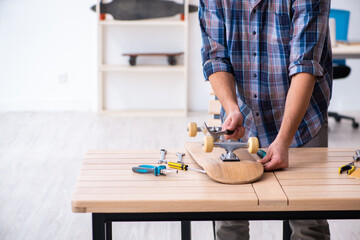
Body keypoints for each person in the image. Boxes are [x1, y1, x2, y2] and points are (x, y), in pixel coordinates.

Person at [199, 0, 332, 239]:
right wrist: (232, 108)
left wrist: (284, 139)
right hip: (244, 117)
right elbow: (215, 57)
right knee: (230, 222)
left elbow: (305, 64)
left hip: (303, 121)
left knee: (308, 223)